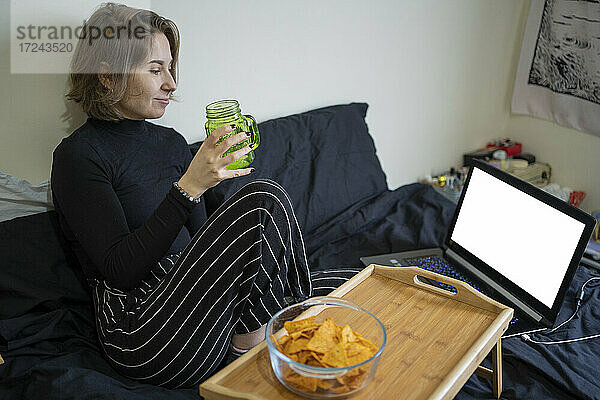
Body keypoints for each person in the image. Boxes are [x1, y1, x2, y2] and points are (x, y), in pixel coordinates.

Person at [51, 2, 360, 389]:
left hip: (200, 305)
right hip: (142, 328)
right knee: (264, 198)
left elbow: (200, 242)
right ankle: (256, 358)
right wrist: (190, 187)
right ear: (108, 76)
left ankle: (263, 338)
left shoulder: (172, 143)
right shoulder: (78, 155)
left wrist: (212, 187)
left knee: (352, 283)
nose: (171, 83)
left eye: (170, 68)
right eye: (155, 70)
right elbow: (120, 270)